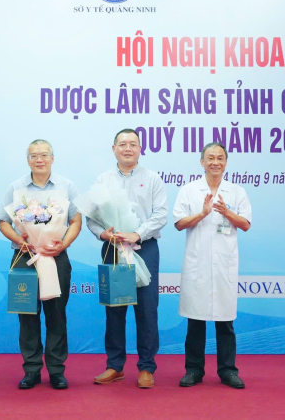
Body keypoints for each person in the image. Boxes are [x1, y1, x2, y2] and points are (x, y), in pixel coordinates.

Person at [0, 139, 82, 390]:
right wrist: (19, 239)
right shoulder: (16, 187)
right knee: (27, 315)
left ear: (52, 158)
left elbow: (76, 221)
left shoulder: (67, 186)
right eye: (34, 155)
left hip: (56, 256)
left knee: (56, 315)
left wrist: (63, 244)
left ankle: (56, 370)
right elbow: (3, 222)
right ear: (28, 160)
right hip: (25, 257)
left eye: (44, 155)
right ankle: (31, 370)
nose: (39, 160)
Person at [87, 129, 168, 389]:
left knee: (146, 310)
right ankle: (115, 366)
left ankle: (146, 367)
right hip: (113, 248)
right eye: (122, 144)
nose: (128, 148)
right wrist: (103, 233)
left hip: (144, 248)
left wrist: (137, 233)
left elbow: (161, 215)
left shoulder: (152, 178)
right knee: (114, 310)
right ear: (114, 149)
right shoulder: (103, 179)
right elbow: (91, 217)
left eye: (133, 144)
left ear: (140, 149)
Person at [173, 142, 252, 389]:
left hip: (224, 265)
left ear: (225, 162)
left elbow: (246, 224)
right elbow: (179, 223)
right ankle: (194, 370)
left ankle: (228, 371)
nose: (215, 162)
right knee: (195, 321)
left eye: (220, 158)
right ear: (202, 162)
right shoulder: (189, 190)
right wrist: (202, 213)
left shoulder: (236, 191)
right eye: (210, 158)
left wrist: (227, 212)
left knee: (225, 321)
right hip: (198, 263)